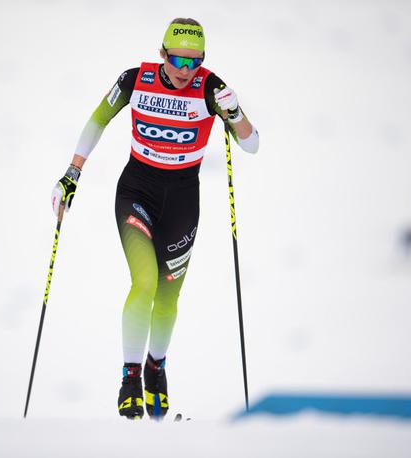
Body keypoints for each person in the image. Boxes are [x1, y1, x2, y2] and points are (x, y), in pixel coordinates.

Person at [50, 18, 259, 420]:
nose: (185, 70)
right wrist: (71, 174)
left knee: (167, 299)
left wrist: (234, 114)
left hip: (182, 201)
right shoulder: (135, 79)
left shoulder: (212, 88)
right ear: (163, 54)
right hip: (137, 194)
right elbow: (97, 121)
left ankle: (155, 368)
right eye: (178, 59)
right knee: (143, 282)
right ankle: (130, 377)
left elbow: (250, 144)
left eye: (195, 62)